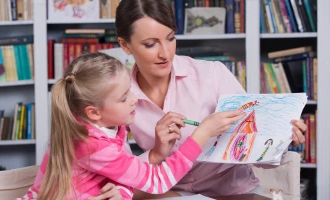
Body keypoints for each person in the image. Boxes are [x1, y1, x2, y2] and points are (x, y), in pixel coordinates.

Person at [115, 0, 307, 198]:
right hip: (170, 192)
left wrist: (281, 139)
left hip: (232, 191)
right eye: (150, 44)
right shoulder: (118, 96)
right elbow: (119, 172)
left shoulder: (211, 74)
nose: (165, 53)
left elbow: (253, 146)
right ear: (125, 45)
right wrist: (156, 153)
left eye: (171, 38)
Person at [20, 52, 246, 200]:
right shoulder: (90, 143)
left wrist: (155, 155)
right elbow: (157, 182)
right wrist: (202, 133)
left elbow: (124, 174)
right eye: (123, 97)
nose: (134, 99)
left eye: (130, 90)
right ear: (94, 112)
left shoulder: (107, 128)